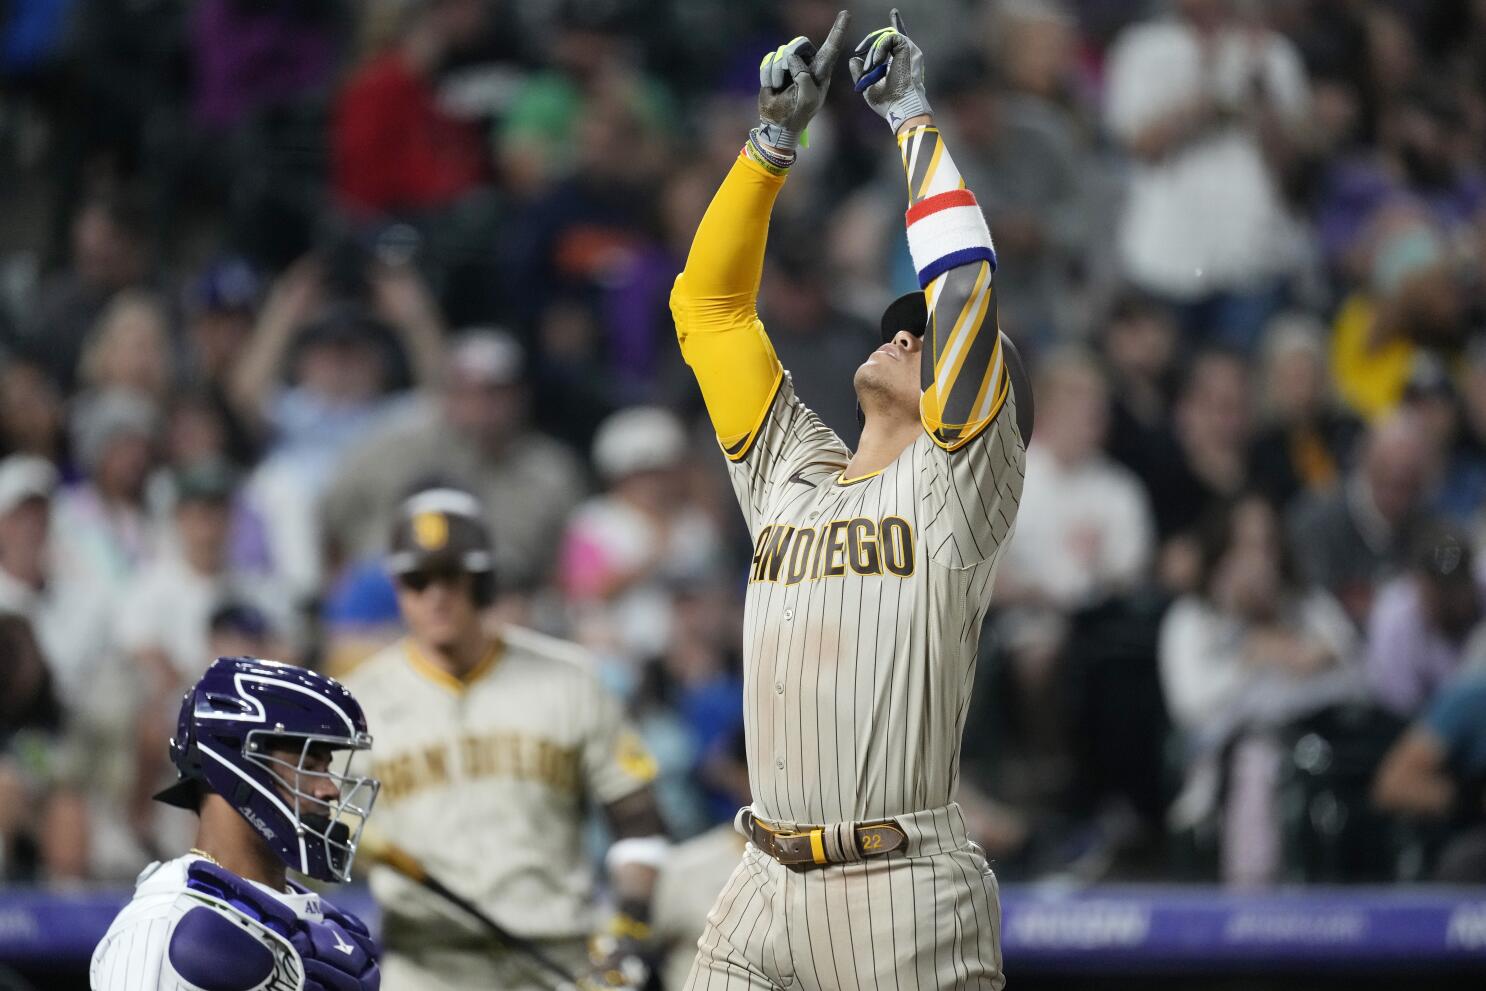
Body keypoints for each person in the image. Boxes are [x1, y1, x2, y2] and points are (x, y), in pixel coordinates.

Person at [669, 11, 1028, 988]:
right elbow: (707, 307)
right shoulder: (791, 468)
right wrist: (768, 145)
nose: (904, 334)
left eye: (923, 340)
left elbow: (960, 288)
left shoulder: (960, 481)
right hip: (759, 879)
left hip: (901, 891)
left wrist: (910, 118)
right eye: (897, 326)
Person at [342, 488, 669, 991]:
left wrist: (628, 926)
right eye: (417, 579)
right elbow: (322, 842)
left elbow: (637, 817)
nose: (435, 595)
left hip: (557, 956)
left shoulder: (570, 679)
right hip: (425, 965)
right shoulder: (358, 702)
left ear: (484, 580)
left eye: (451, 575)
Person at [90, 656, 381, 990]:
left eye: (326, 767)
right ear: (237, 766)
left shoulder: (320, 921)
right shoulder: (163, 924)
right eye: (309, 765)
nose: (329, 789)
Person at [1158, 495, 1359, 885]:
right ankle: (1251, 904)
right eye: (1244, 546)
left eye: (1266, 545)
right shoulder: (1191, 619)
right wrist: (1248, 656)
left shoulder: (1309, 607)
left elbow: (1363, 682)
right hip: (1227, 765)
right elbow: (1190, 708)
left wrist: (1322, 659)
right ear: (1220, 554)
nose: (1258, 561)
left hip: (1322, 751)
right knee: (1257, 760)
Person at [321, 330, 586, 589]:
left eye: (495, 392)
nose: (482, 406)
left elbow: (570, 563)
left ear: (520, 395)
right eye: (468, 391)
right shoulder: (396, 446)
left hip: (508, 600)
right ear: (447, 393)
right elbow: (331, 518)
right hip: (398, 594)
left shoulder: (550, 468)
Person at [1372, 672, 1486, 882]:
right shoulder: (1474, 701)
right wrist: (1470, 798)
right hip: (1476, 834)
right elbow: (1394, 784)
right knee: (1466, 861)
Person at [1366, 527, 1486, 718]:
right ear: (1420, 584)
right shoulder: (1394, 621)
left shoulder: (1480, 585)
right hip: (1420, 726)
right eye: (1443, 592)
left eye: (1458, 587)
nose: (1454, 601)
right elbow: (1403, 713)